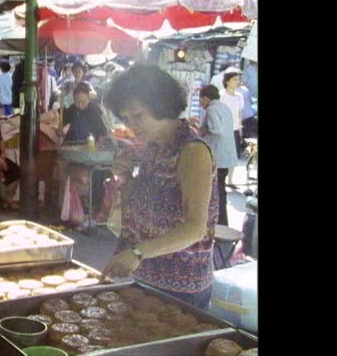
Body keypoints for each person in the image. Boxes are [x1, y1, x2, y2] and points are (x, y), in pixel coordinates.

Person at [102, 63, 219, 309]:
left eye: (139, 115)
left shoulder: (193, 151)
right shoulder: (153, 146)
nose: (132, 125)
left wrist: (137, 253)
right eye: (126, 118)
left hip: (179, 286)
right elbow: (140, 203)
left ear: (161, 105)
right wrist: (124, 177)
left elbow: (196, 228)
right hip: (143, 275)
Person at [58, 83, 110, 227]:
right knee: (67, 173)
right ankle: (70, 209)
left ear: (88, 98)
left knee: (96, 175)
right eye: (77, 102)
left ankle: (93, 209)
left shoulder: (94, 110)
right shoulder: (72, 110)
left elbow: (103, 135)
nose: (80, 105)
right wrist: (60, 130)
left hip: (91, 148)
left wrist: (92, 149)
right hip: (73, 145)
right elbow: (62, 126)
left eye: (83, 102)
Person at [199, 84, 239, 226]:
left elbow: (216, 130)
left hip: (218, 156)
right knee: (220, 190)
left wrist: (205, 132)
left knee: (216, 191)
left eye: (200, 99)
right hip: (226, 156)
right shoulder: (224, 108)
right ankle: (222, 222)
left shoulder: (211, 109)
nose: (200, 103)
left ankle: (218, 222)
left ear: (205, 98)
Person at [219, 72, 244, 187]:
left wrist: (240, 129)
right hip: (223, 130)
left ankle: (230, 180)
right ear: (227, 81)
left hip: (234, 129)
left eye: (238, 79)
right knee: (223, 155)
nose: (237, 82)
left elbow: (239, 113)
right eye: (234, 79)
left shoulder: (239, 96)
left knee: (234, 156)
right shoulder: (221, 96)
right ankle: (220, 179)